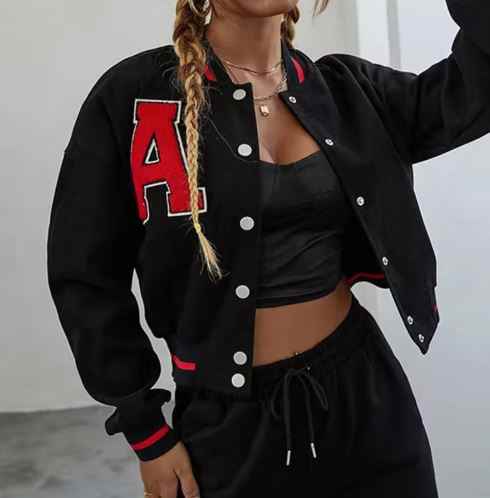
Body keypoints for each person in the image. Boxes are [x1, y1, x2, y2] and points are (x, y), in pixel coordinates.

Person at [47, 0, 490, 497]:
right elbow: (84, 274)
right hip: (228, 426)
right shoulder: (134, 97)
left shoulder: (348, 93)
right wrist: (146, 429)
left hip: (366, 400)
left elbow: (472, 92)